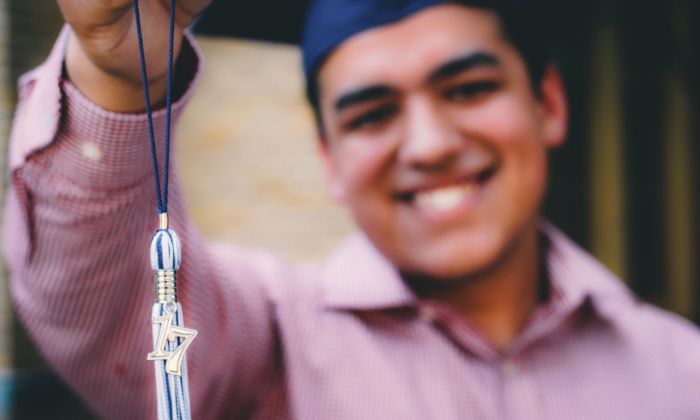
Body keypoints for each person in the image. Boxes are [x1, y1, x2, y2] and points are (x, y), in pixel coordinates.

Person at [4, 0, 700, 418]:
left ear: (547, 104)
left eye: (467, 89)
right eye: (372, 115)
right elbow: (103, 301)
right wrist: (117, 77)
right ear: (330, 159)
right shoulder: (264, 345)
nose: (427, 145)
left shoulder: (681, 372)